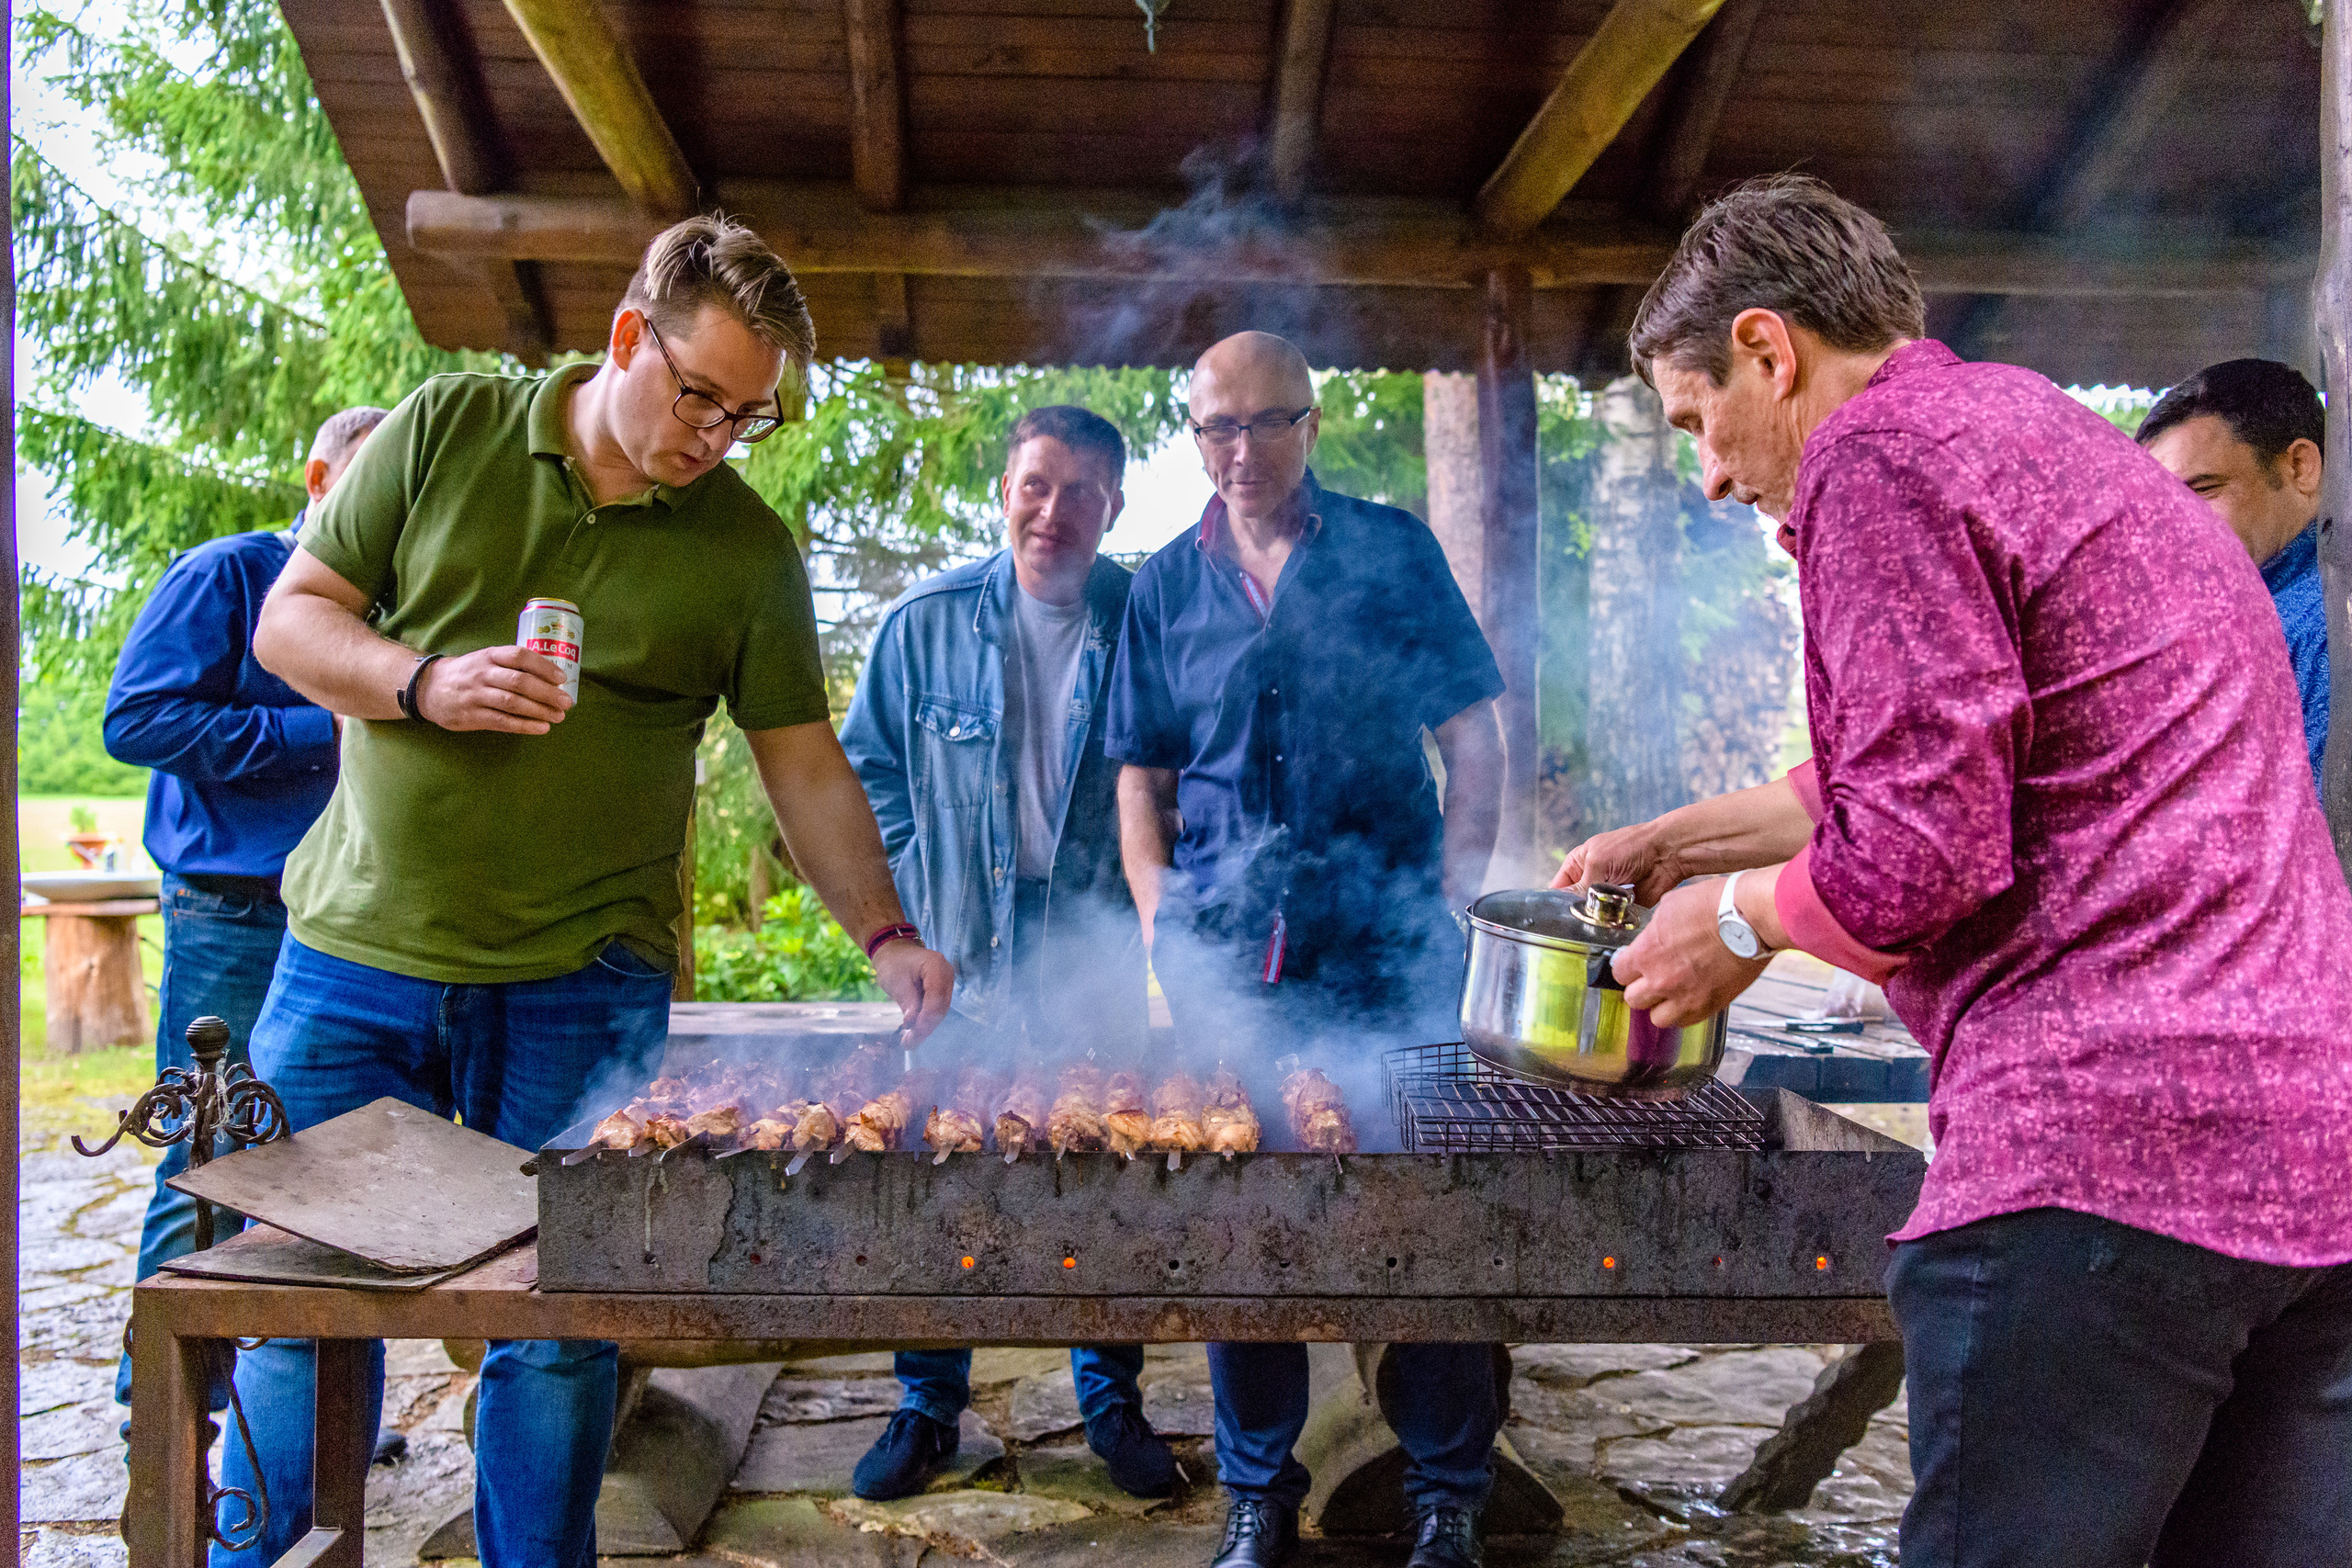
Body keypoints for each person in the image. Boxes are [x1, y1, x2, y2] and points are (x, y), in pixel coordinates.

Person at [1560, 174, 2352, 1568]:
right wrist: (1678, 844)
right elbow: (1956, 754)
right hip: (2312, 1166)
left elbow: (1920, 849)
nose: (1714, 476)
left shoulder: (1876, 458)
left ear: (1767, 348)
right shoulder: (2050, 439)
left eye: (1697, 422)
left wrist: (1730, 925)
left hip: (2101, 1164)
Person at [232, 214, 956, 1568]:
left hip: (583, 984)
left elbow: (801, 762)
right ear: (629, 336)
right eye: (700, 396)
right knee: (301, 1307)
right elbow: (293, 619)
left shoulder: (745, 548)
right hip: (355, 958)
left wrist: (886, 930)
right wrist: (422, 682)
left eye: (750, 416)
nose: (717, 437)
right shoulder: (446, 427)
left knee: (561, 1326)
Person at [1105, 331, 1508, 1568]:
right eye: (1215, 427)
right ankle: (1256, 1493)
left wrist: (1452, 893)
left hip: (1391, 954)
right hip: (1229, 961)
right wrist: (1160, 919)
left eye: (1266, 422)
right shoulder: (1163, 585)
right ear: (1194, 435)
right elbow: (1140, 779)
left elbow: (1473, 735)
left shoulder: (1390, 551)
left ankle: (1448, 1490)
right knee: (1245, 1218)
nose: (1240, 450)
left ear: (1311, 423)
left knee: (1427, 1206)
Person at [840, 403, 1177, 1502]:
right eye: (1036, 484)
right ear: (1004, 491)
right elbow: (865, 773)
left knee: (1105, 1174)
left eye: (1081, 492)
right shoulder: (923, 625)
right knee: (942, 1175)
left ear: (1113, 506)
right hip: (960, 951)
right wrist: (913, 894)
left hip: (1095, 945)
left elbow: (1182, 771)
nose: (1053, 512)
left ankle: (1110, 1403)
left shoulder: (1146, 621)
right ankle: (927, 1406)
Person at [101, 405, 385, 1422]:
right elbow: (137, 719)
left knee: (327, 1162)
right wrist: (326, 728)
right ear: (319, 478)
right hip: (233, 916)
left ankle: (303, 1409)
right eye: (369, 480)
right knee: (209, 1158)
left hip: (351, 923)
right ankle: (164, 1424)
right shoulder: (226, 575)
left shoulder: (392, 603)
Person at [2136, 358, 2328, 789]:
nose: (2172, 526)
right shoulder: (2245, 607)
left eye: (2203, 489)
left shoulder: (2324, 627)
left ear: (2301, 467)